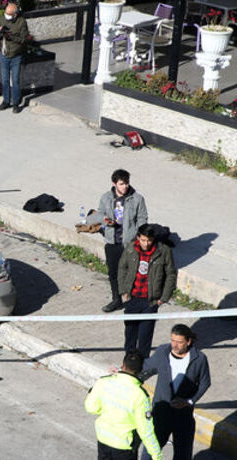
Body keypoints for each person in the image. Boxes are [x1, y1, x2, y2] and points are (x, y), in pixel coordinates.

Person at [139, 324, 211, 460]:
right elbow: (145, 367)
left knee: (183, 455)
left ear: (188, 341)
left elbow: (205, 383)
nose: (175, 345)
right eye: (173, 340)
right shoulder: (162, 352)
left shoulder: (199, 359)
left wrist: (189, 401)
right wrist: (123, 370)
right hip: (160, 414)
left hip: (183, 417)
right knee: (150, 452)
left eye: (179, 342)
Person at [86, 350, 163, 460]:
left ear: (123, 364)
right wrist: (156, 455)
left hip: (103, 440)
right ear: (140, 369)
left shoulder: (103, 382)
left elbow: (90, 407)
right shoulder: (140, 396)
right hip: (124, 448)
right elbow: (145, 430)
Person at [119, 224, 177, 358]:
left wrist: (163, 298)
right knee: (130, 331)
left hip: (150, 301)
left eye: (149, 240)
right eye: (143, 240)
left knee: (145, 334)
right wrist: (123, 291)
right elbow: (122, 268)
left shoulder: (164, 251)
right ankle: (129, 360)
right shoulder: (130, 249)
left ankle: (144, 361)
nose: (146, 244)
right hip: (132, 298)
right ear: (138, 238)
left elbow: (171, 274)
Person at [99, 169, 149, 313]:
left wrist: (137, 237)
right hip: (112, 241)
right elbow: (100, 214)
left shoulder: (137, 199)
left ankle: (132, 300)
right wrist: (105, 222)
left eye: (126, 183)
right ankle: (116, 299)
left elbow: (142, 219)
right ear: (114, 184)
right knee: (113, 273)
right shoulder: (106, 198)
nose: (125, 186)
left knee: (130, 273)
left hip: (129, 242)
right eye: (121, 184)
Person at [0, 2, 29, 114]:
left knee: (15, 80)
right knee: (4, 79)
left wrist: (11, 36)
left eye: (9, 14)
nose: (7, 16)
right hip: (4, 54)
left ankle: (16, 103)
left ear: (15, 14)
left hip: (16, 56)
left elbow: (24, 40)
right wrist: (0, 33)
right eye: (6, 13)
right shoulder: (2, 19)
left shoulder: (21, 22)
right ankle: (6, 101)